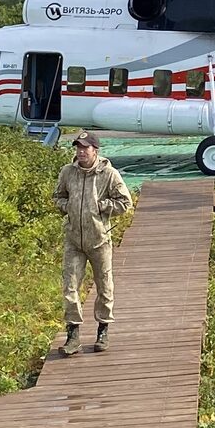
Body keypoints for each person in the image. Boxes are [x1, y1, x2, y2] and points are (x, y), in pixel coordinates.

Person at [54, 132, 133, 355]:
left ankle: (103, 331)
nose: (80, 151)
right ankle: (73, 335)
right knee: (70, 288)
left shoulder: (108, 174)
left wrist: (103, 206)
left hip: (99, 240)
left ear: (95, 150)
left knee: (105, 288)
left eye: (85, 148)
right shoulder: (68, 172)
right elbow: (57, 196)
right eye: (77, 147)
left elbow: (125, 202)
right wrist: (66, 206)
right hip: (73, 241)